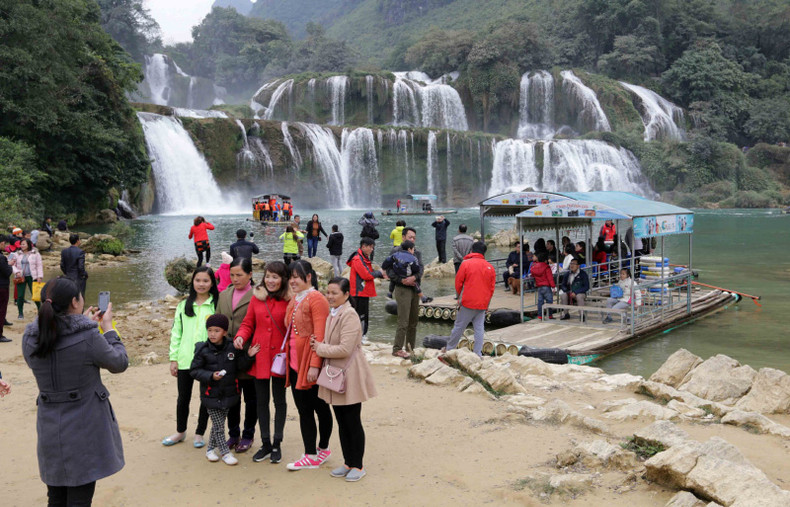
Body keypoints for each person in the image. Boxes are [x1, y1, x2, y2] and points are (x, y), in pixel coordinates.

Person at [23, 277, 127, 506]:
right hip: (84, 426)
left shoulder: (30, 337)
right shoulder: (89, 337)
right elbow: (119, 363)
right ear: (75, 302)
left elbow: (54, 351)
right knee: (80, 497)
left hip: (50, 426)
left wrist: (82, 323)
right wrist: (108, 329)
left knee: (56, 496)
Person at [310, 277, 377, 482]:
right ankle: (348, 462)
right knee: (341, 420)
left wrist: (319, 347)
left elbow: (345, 349)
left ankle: (358, 464)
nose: (329, 296)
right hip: (335, 374)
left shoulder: (349, 315)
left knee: (352, 420)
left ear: (346, 295)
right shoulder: (334, 313)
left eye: (334, 293)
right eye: (328, 292)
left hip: (350, 374)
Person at [234, 261, 291, 464]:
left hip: (279, 360)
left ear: (283, 279)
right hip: (259, 356)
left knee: (280, 401)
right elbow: (248, 323)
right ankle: (265, 442)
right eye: (268, 276)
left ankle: (277, 443)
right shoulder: (257, 298)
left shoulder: (289, 300)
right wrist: (241, 336)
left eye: (275, 277)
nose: (270, 280)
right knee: (261, 401)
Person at [283, 261, 333, 471]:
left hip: (309, 362)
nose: (292, 280)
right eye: (291, 277)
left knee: (318, 407)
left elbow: (319, 334)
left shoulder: (316, 299)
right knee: (306, 408)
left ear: (309, 277)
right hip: (295, 362)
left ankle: (316, 451)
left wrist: (315, 365)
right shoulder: (295, 298)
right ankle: (316, 452)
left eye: (297, 276)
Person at [162, 266, 218, 448]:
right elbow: (176, 333)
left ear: (212, 283)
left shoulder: (216, 305)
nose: (201, 284)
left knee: (205, 398)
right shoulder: (183, 305)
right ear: (192, 282)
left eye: (205, 281)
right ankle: (180, 431)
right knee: (183, 398)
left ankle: (200, 433)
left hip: (208, 361)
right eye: (198, 280)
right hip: (185, 358)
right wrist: (173, 359)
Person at [190, 314, 256, 466]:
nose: (212, 334)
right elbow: (194, 371)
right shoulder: (202, 349)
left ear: (225, 332)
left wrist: (250, 356)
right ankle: (225, 453)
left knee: (218, 424)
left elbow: (241, 366)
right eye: (210, 330)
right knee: (219, 425)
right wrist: (211, 376)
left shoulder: (232, 347)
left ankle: (210, 449)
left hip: (229, 393)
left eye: (217, 330)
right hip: (210, 394)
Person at [216, 257, 256, 454]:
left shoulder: (258, 295)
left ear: (250, 274)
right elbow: (218, 323)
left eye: (239, 275)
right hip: (228, 356)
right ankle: (233, 433)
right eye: (232, 275)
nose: (235, 278)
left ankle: (248, 435)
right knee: (231, 397)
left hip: (249, 355)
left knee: (251, 398)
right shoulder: (224, 295)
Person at [444, 242, 496, 356]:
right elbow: (492, 288)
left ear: (472, 250)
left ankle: (449, 350)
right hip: (482, 304)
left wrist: (459, 297)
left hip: (468, 302)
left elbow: (458, 282)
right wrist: (487, 304)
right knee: (479, 329)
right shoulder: (490, 267)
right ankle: (478, 353)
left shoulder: (466, 264)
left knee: (459, 327)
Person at [382, 240, 422, 358]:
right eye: (410, 237)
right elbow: (388, 271)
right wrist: (401, 280)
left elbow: (421, 270)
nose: (413, 239)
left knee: (413, 320)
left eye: (414, 237)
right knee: (403, 320)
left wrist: (414, 277)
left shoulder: (417, 254)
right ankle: (397, 349)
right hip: (402, 289)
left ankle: (410, 348)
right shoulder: (395, 254)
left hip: (415, 287)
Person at [347, 238, 385, 342]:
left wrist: (379, 274)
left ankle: (360, 335)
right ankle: (360, 336)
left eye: (373, 247)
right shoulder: (357, 259)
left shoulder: (363, 257)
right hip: (359, 292)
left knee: (362, 314)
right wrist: (380, 273)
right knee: (361, 315)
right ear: (363, 246)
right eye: (370, 247)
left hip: (362, 291)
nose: (372, 249)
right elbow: (366, 275)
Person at [11, 238, 43, 319]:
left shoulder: (35, 253)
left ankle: (40, 311)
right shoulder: (16, 254)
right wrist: (16, 272)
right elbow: (12, 265)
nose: (22, 246)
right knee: (20, 296)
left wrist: (39, 276)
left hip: (33, 277)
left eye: (24, 244)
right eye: (21, 244)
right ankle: (20, 313)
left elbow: (39, 265)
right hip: (20, 277)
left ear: (28, 244)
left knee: (36, 295)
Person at [531, 251, 555, 319]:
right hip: (546, 286)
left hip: (539, 287)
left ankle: (540, 316)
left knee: (540, 302)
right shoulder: (546, 267)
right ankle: (550, 315)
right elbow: (550, 278)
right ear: (545, 260)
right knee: (549, 301)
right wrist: (553, 286)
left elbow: (532, 274)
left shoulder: (534, 267)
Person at [0, 236, 13, 342]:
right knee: (1, 310)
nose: (5, 245)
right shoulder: (1, 258)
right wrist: (10, 265)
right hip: (2, 287)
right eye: (4, 243)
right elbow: (7, 272)